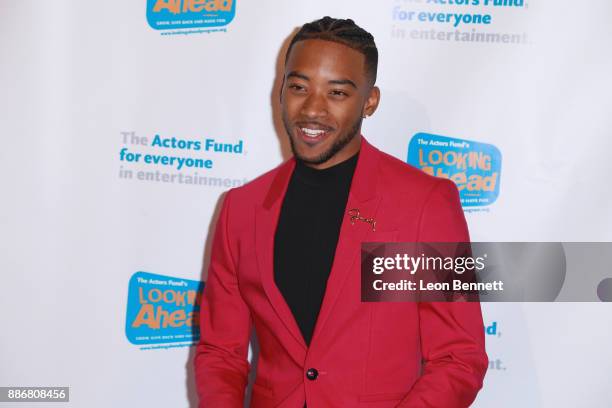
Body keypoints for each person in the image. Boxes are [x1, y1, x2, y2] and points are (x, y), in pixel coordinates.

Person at [194, 16, 488, 408]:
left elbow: (459, 357)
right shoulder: (242, 208)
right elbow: (220, 352)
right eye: (299, 87)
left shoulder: (424, 204)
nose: (312, 109)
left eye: (336, 93)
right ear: (280, 90)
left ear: (370, 101)